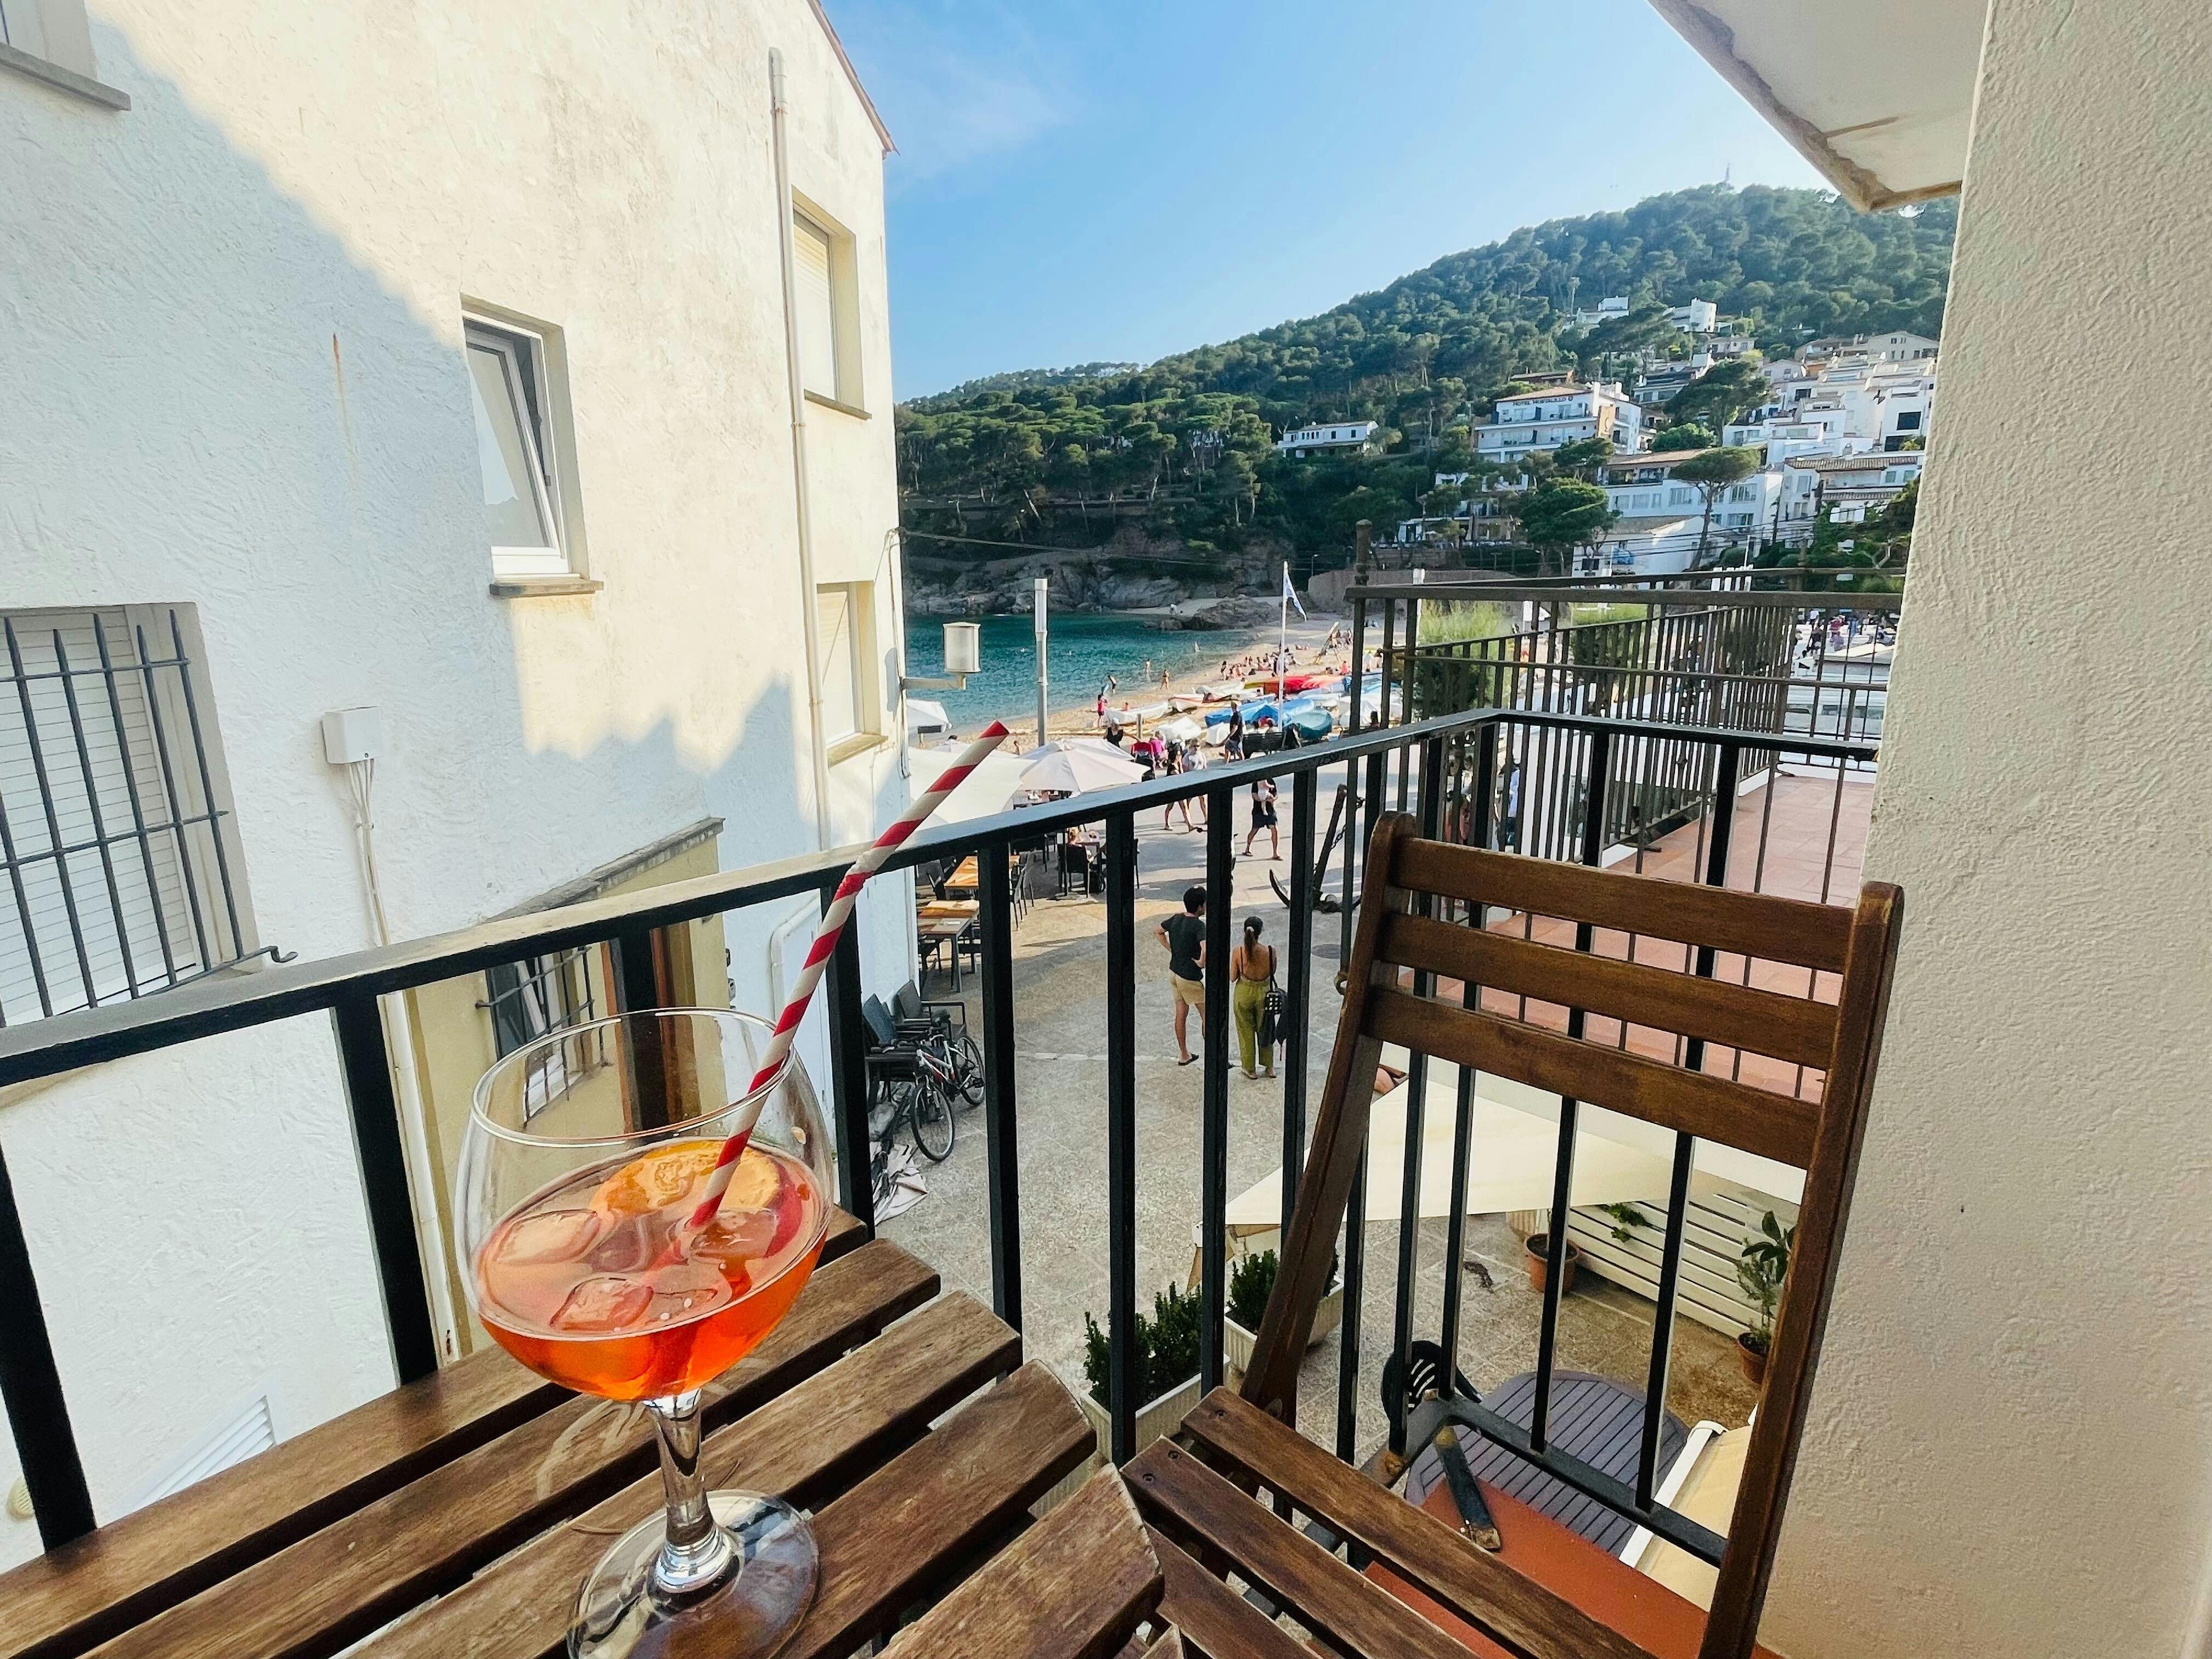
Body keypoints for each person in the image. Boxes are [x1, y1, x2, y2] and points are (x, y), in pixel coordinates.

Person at [1156, 885, 1207, 1066]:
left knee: (1180, 1013)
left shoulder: (1177, 919)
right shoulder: (1199, 926)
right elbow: (1205, 950)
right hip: (1189, 977)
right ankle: (1213, 1055)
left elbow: (1158, 931)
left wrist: (1171, 949)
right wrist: (1201, 963)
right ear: (1200, 907)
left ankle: (1184, 1055)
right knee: (1206, 1015)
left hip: (1174, 972)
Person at [1229, 915, 1276, 1080]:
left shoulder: (1238, 952)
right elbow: (1272, 972)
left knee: (1245, 1031)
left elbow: (1233, 977)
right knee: (1266, 1029)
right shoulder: (1270, 952)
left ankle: (1250, 1069)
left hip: (1244, 992)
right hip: (1263, 993)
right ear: (1260, 932)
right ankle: (1269, 1066)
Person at [1245, 775, 1279, 860]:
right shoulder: (1255, 783)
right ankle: (1247, 848)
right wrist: (1264, 800)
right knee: (1254, 830)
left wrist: (1273, 799)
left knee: (1275, 830)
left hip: (1270, 811)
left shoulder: (1271, 781)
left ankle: (1275, 853)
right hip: (1258, 812)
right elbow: (1254, 796)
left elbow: (1276, 794)